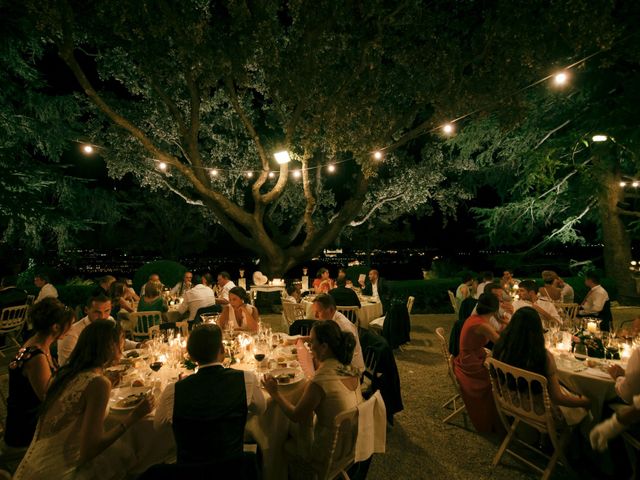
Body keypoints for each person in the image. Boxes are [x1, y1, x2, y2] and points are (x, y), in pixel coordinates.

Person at [13, 320, 154, 480]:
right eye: (120, 346)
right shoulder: (98, 383)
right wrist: (133, 417)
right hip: (59, 473)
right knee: (134, 460)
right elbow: (90, 450)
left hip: (30, 467)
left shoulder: (64, 374)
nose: (121, 352)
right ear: (109, 347)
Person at [154, 324, 265, 464]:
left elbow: (158, 425)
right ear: (223, 350)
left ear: (191, 357)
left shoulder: (173, 391)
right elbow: (261, 408)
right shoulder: (246, 380)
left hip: (190, 472)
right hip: (232, 468)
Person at [263, 320, 363, 475]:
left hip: (327, 453)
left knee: (283, 436)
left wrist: (274, 393)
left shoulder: (320, 380)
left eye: (312, 342)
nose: (309, 346)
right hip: (350, 444)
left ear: (324, 347)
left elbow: (296, 415)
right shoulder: (350, 368)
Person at [492, 307, 591, 425]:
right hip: (538, 410)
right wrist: (585, 402)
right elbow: (557, 398)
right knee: (583, 404)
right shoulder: (542, 356)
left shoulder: (500, 347)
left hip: (509, 400)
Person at [4, 298, 74, 448]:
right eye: (69, 324)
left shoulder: (40, 344)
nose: (71, 328)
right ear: (55, 327)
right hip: (26, 428)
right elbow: (49, 398)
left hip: (32, 418)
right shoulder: (37, 358)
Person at [453, 293, 501, 433]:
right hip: (471, 364)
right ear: (495, 309)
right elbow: (500, 342)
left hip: (469, 357)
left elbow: (496, 332)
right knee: (497, 377)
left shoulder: (475, 318)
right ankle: (496, 416)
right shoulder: (481, 324)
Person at [57, 294, 139, 366]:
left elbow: (117, 341)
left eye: (107, 311)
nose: (102, 316)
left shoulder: (109, 320)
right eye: (97, 312)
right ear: (86, 310)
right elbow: (67, 365)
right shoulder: (72, 334)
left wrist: (137, 345)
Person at [311, 294, 364, 371]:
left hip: (352, 371)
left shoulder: (344, 326)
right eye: (314, 312)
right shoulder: (329, 322)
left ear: (331, 309)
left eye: (318, 312)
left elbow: (345, 357)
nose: (315, 316)